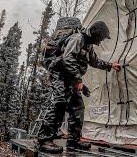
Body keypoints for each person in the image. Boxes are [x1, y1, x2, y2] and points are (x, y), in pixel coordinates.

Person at [38, 20, 121, 154]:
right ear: (97, 34)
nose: (101, 41)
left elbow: (95, 61)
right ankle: (44, 140)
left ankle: (73, 142)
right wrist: (78, 79)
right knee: (60, 102)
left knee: (77, 106)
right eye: (102, 38)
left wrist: (110, 65)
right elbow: (67, 58)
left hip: (70, 76)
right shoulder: (78, 39)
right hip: (59, 73)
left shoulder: (88, 46)